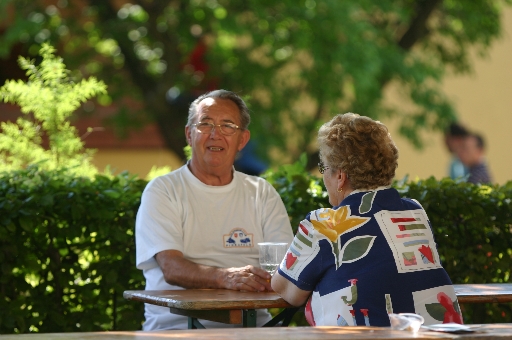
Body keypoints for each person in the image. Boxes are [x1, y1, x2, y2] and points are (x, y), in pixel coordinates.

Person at [272, 113, 463, 327]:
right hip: (437, 334)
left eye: (324, 169)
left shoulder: (325, 223)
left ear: (341, 177)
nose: (323, 177)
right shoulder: (415, 212)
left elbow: (287, 289)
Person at [136, 89, 294, 330]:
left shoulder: (261, 192)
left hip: (254, 327)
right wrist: (226, 277)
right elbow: (171, 267)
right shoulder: (163, 190)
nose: (215, 134)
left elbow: (285, 266)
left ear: (242, 139)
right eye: (205, 124)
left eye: (227, 126)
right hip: (177, 327)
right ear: (189, 135)